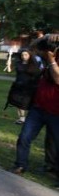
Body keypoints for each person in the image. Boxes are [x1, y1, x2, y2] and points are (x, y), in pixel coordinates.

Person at [11, 34, 59, 177]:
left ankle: (54, 171)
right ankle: (20, 165)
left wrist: (51, 60)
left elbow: (57, 79)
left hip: (56, 112)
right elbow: (31, 47)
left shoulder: (50, 59)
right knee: (25, 137)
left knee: (56, 143)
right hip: (38, 108)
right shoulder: (47, 55)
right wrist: (47, 37)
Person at [11, 49, 41, 124]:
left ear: (30, 55)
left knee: (25, 103)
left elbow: (37, 75)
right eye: (22, 55)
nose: (24, 56)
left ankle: (26, 119)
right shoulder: (18, 63)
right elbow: (14, 72)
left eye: (26, 55)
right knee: (17, 102)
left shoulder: (34, 64)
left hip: (29, 87)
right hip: (18, 85)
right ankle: (21, 118)